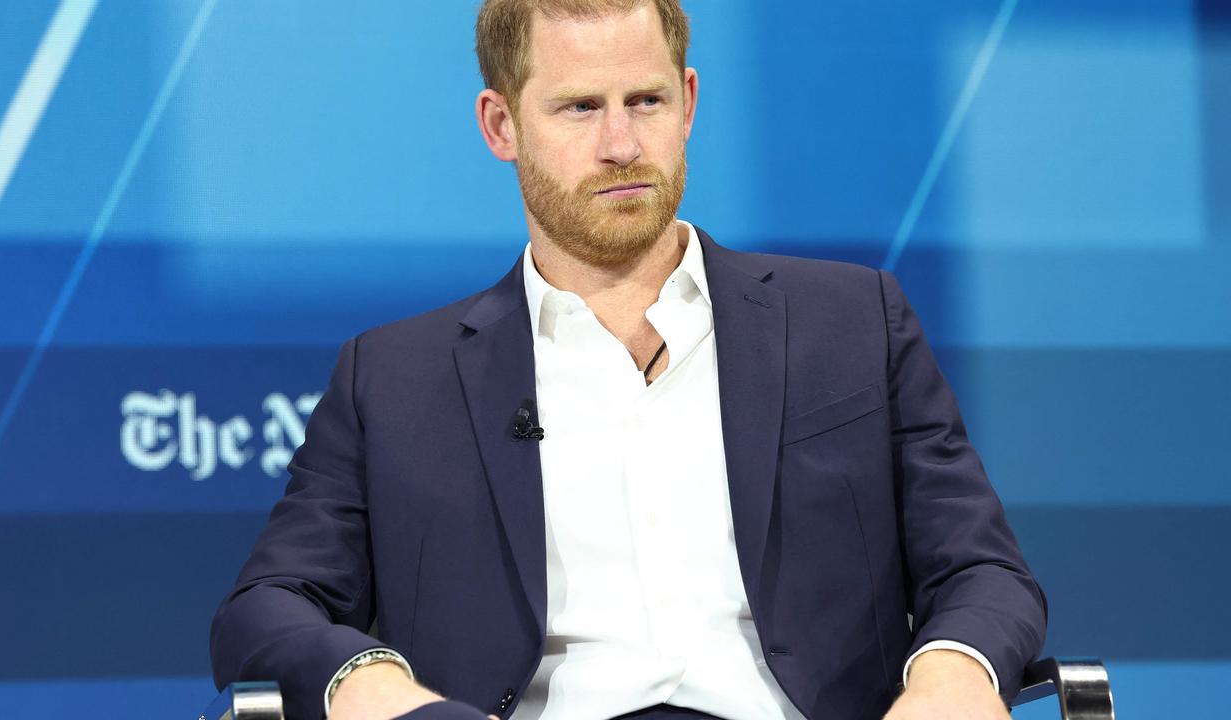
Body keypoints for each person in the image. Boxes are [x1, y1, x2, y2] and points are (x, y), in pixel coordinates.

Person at [209, 1, 1047, 719]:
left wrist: (951, 677)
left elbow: (982, 569)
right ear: (501, 125)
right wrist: (373, 685)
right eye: (578, 108)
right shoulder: (392, 380)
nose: (621, 145)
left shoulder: (853, 322)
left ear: (688, 103)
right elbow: (264, 611)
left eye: (645, 100)